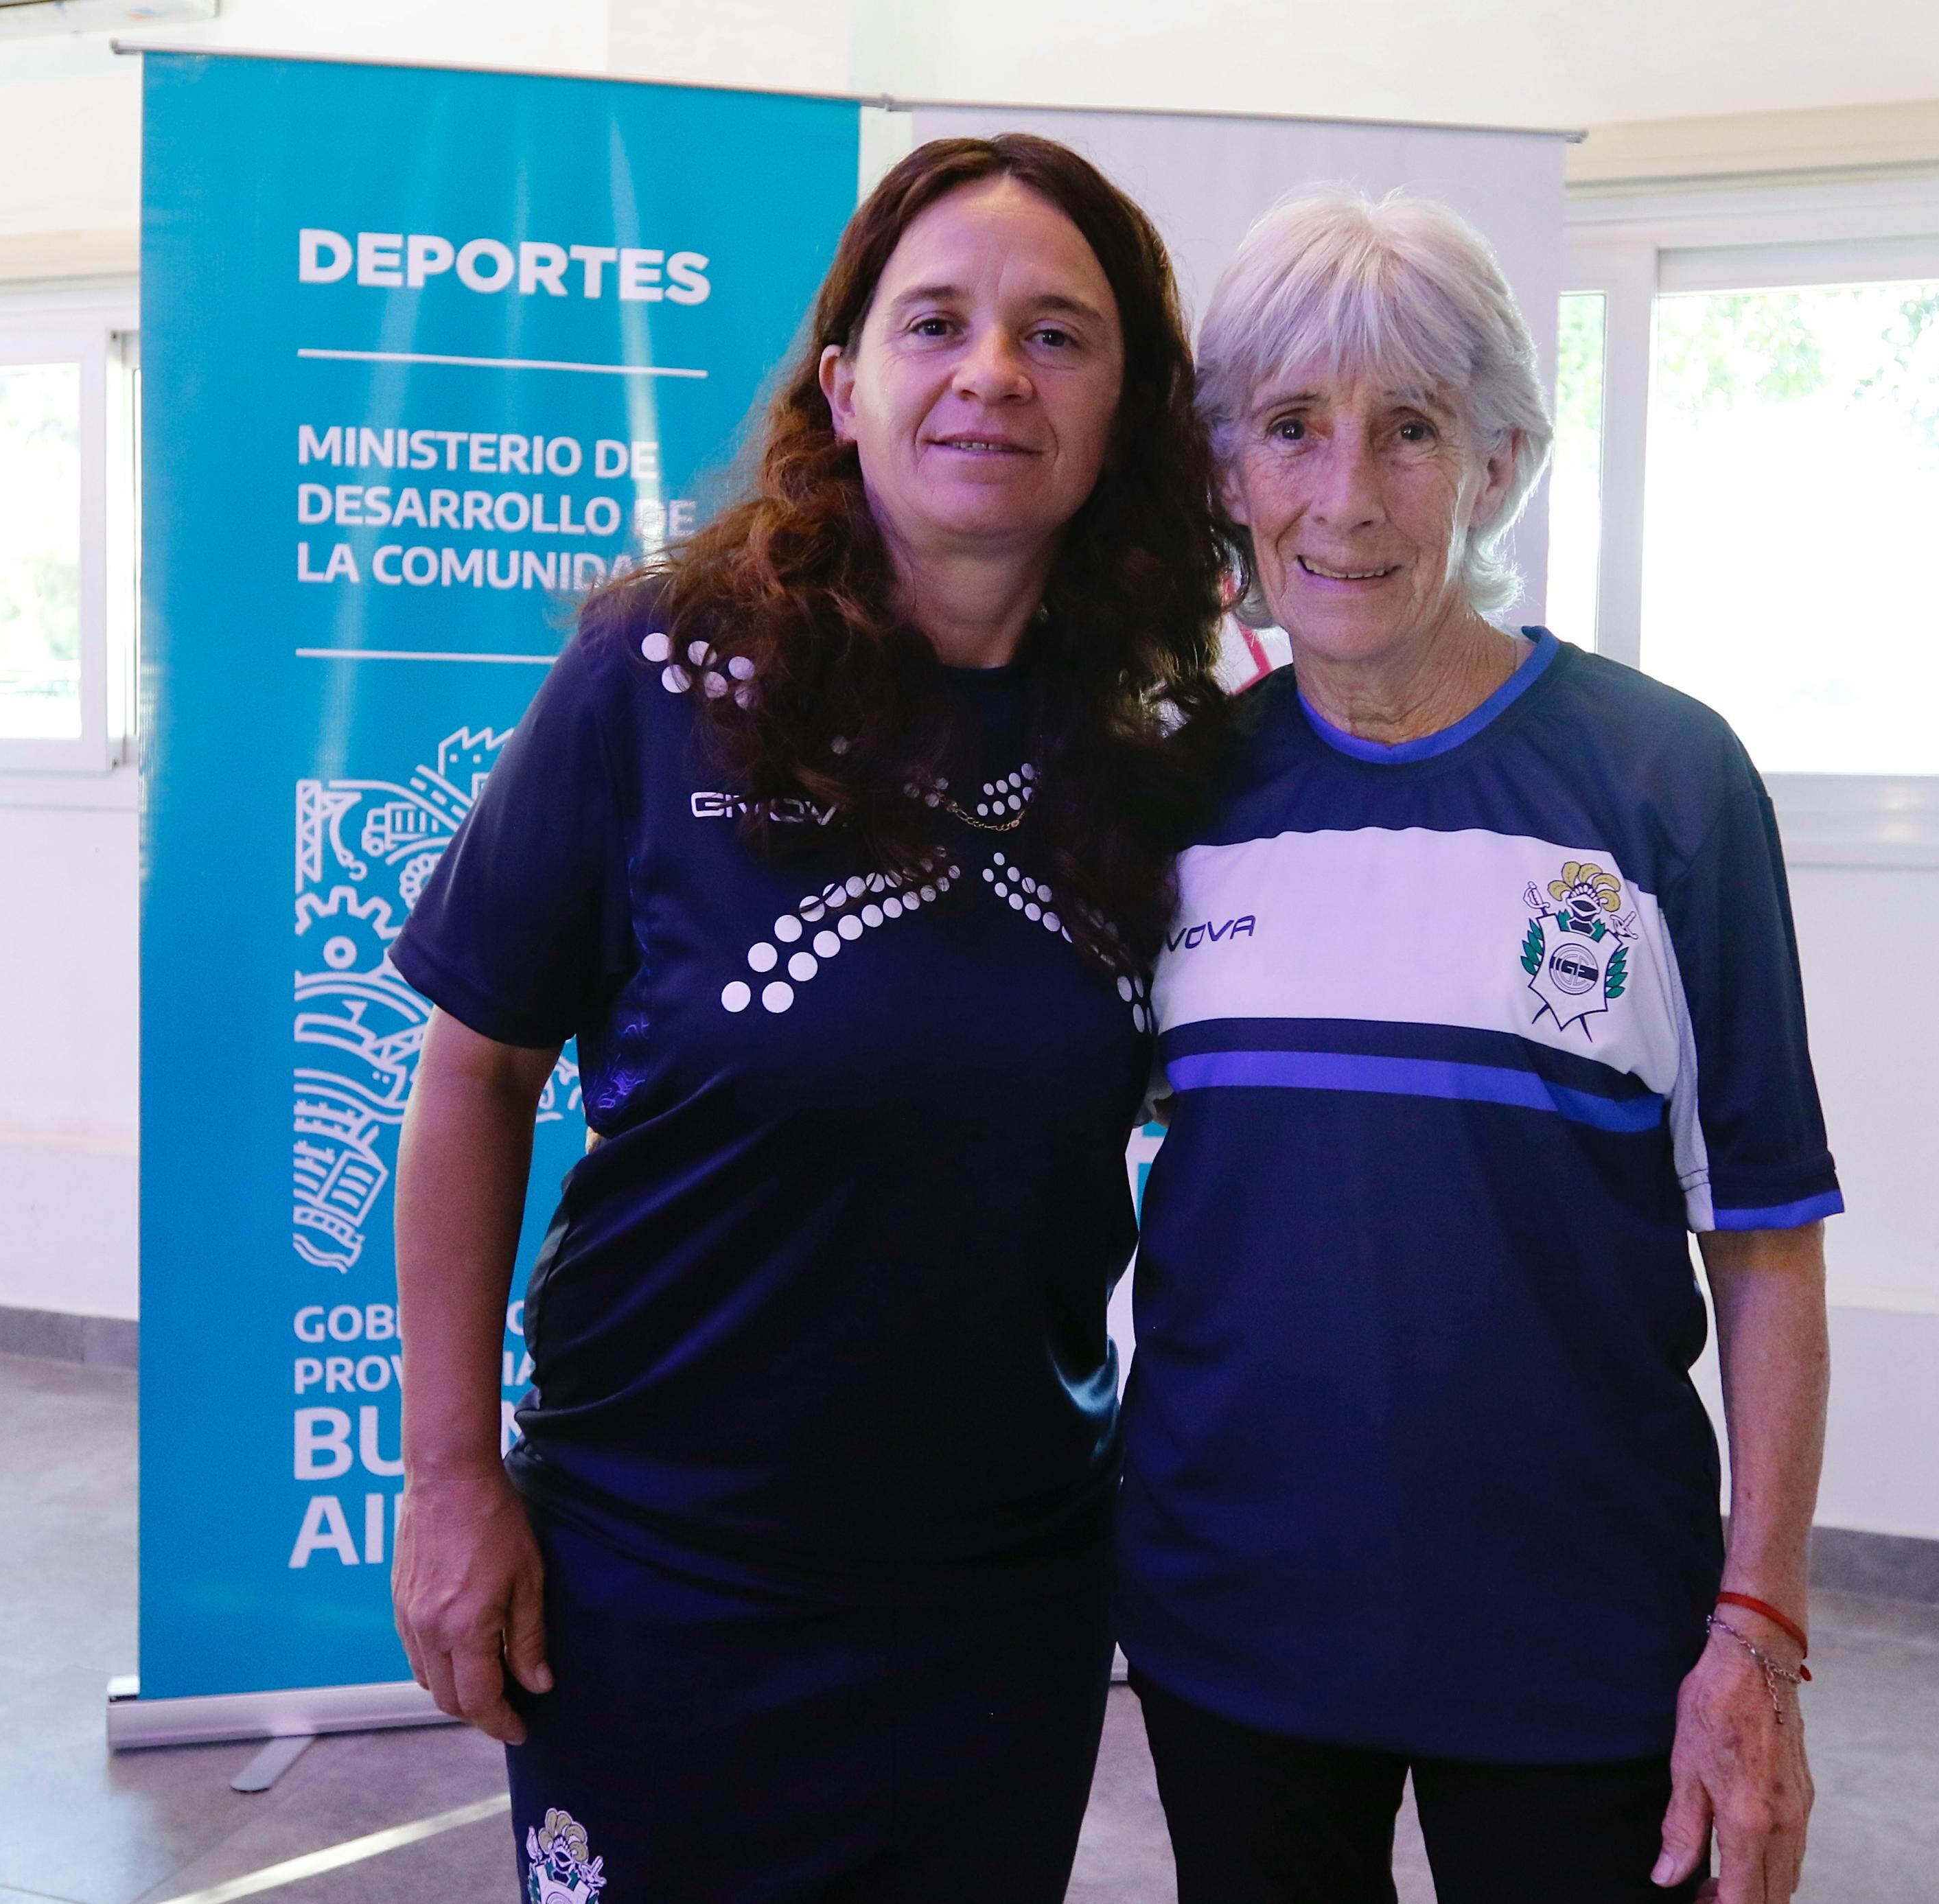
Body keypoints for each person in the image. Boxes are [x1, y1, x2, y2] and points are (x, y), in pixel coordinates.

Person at [384, 134, 1232, 1904]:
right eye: (937, 323)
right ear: (847, 387)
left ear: (1124, 404)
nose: (993, 372)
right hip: (658, 1582)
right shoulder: (659, 675)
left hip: (1002, 1594)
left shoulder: (1159, 758)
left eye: (1057, 335)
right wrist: (451, 1476)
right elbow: (473, 1072)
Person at [1117, 187, 1840, 1904]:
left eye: (1411, 431)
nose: (1345, 496)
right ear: (1226, 471)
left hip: (1581, 1638)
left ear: (1500, 464)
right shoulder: (1171, 800)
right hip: (1241, 1630)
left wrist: (1756, 1632)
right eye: (1290, 428)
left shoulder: (1665, 787)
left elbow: (1765, 1242)